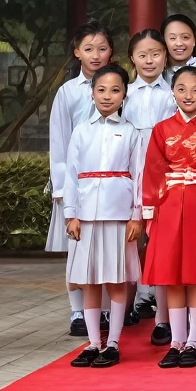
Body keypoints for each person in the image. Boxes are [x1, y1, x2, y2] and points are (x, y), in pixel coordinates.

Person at [141, 66, 196, 368]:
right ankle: (176, 341)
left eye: (195, 89)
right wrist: (149, 213)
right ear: (173, 91)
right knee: (172, 277)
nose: (188, 95)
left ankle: (194, 340)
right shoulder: (161, 129)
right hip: (168, 205)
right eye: (181, 88)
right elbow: (152, 170)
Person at [64, 64, 143, 369]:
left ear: (125, 94)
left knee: (117, 279)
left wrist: (136, 216)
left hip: (120, 216)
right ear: (92, 92)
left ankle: (113, 342)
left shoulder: (131, 132)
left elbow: (138, 176)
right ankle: (93, 342)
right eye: (101, 89)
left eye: (115, 90)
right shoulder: (82, 130)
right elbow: (71, 175)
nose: (107, 96)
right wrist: (71, 214)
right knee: (90, 281)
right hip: (86, 215)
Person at [47, 20, 115, 336]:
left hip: (111, 186)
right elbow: (59, 142)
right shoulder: (67, 92)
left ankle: (104, 311)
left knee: (106, 250)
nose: (96, 55)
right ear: (77, 53)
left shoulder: (117, 87)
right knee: (77, 251)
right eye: (89, 49)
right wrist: (62, 190)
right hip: (77, 184)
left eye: (102, 48)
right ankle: (77, 311)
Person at [126, 29, 176, 330]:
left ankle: (163, 310)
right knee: (133, 236)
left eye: (156, 54)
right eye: (142, 55)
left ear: (165, 56)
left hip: (164, 172)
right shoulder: (123, 94)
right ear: (132, 58)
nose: (149, 61)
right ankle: (133, 299)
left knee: (161, 237)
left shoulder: (174, 92)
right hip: (130, 169)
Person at [161, 14, 196, 79]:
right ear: (163, 41)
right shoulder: (157, 72)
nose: (179, 43)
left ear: (194, 41)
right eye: (172, 38)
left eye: (185, 37)